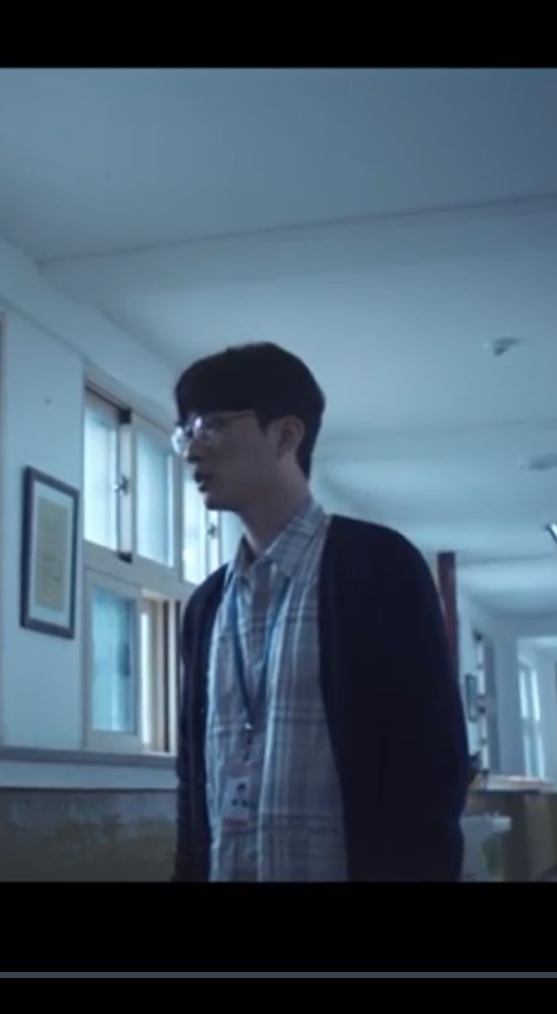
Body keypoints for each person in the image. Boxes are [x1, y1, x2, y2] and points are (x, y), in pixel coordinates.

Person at [170, 342, 469, 882]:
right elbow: (193, 785)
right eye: (185, 431)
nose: (192, 450)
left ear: (286, 435)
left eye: (211, 426)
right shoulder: (206, 607)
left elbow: (430, 769)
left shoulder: (378, 568)